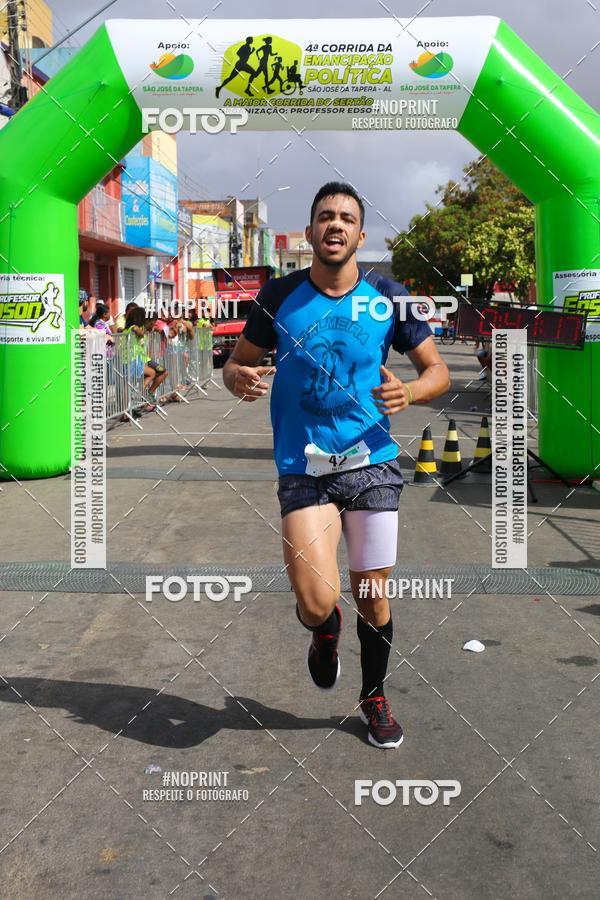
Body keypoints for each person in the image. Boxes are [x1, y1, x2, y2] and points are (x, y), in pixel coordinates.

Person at [223, 182, 450, 749]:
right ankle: (325, 630)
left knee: (373, 592)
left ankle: (373, 696)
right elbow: (235, 364)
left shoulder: (387, 296)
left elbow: (437, 372)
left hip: (370, 463)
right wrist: (239, 379)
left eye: (346, 218)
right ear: (311, 230)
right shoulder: (278, 296)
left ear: (360, 235)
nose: (335, 225)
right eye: (326, 216)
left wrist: (413, 394)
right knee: (317, 597)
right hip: (303, 467)